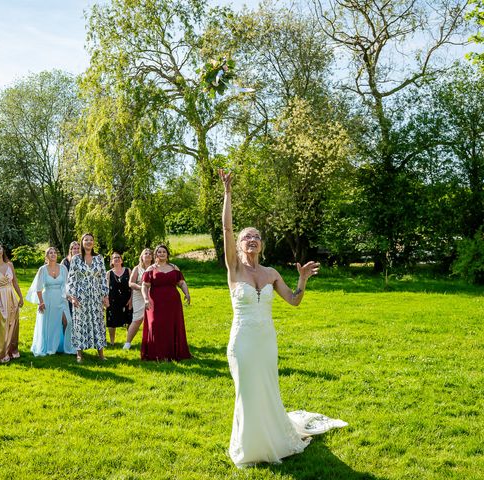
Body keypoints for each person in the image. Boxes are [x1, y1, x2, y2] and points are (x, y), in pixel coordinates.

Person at [219, 168, 347, 468]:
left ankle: (274, 438)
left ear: (262, 244)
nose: (252, 239)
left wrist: (302, 279)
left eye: (257, 236)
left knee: (267, 389)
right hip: (242, 341)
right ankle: (250, 448)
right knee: (247, 391)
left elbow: (294, 301)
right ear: (238, 244)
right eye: (246, 237)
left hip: (266, 341)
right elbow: (226, 229)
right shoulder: (234, 269)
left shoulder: (271, 273)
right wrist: (227, 194)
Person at [141, 244, 191, 361]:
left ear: (167, 254)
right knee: (155, 324)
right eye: (159, 252)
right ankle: (156, 354)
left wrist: (187, 293)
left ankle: (172, 354)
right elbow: (144, 285)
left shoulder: (174, 268)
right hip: (155, 301)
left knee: (171, 325)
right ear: (156, 254)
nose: (162, 254)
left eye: (164, 252)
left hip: (172, 302)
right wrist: (146, 299)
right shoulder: (150, 269)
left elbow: (181, 283)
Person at [66, 233, 109, 363]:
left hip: (96, 296)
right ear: (82, 242)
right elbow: (71, 279)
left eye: (91, 240)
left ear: (94, 243)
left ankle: (100, 353)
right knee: (80, 323)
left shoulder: (99, 258)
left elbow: (103, 278)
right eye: (86, 240)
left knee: (98, 323)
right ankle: (79, 354)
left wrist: (105, 295)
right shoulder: (76, 259)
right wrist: (72, 297)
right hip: (80, 296)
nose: (89, 242)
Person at [27, 247, 75, 356]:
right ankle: (50, 347)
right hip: (47, 298)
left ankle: (66, 346)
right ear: (46, 256)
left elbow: (67, 285)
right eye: (50, 253)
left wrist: (69, 297)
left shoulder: (63, 268)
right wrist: (41, 302)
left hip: (61, 299)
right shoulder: (42, 269)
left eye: (55, 253)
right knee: (50, 324)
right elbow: (38, 288)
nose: (53, 254)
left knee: (68, 321)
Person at [123, 248, 153, 350]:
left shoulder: (155, 268)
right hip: (138, 296)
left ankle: (152, 342)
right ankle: (127, 343)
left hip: (153, 295)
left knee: (153, 319)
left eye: (150, 254)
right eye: (146, 253)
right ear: (142, 256)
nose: (148, 255)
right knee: (137, 319)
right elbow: (130, 283)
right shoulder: (137, 268)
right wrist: (141, 288)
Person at [106, 251, 132, 346]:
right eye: (114, 258)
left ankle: (128, 341)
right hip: (113, 300)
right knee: (112, 321)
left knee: (129, 320)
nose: (116, 259)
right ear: (112, 261)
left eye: (118, 257)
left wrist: (131, 299)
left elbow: (132, 286)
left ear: (121, 260)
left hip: (126, 300)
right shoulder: (109, 273)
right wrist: (106, 300)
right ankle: (112, 341)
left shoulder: (128, 270)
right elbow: (105, 288)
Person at [61, 241, 80, 316]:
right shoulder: (65, 262)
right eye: (74, 248)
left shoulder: (82, 260)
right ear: (71, 250)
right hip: (68, 289)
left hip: (79, 289)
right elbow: (61, 277)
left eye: (78, 248)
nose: (76, 250)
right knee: (69, 313)